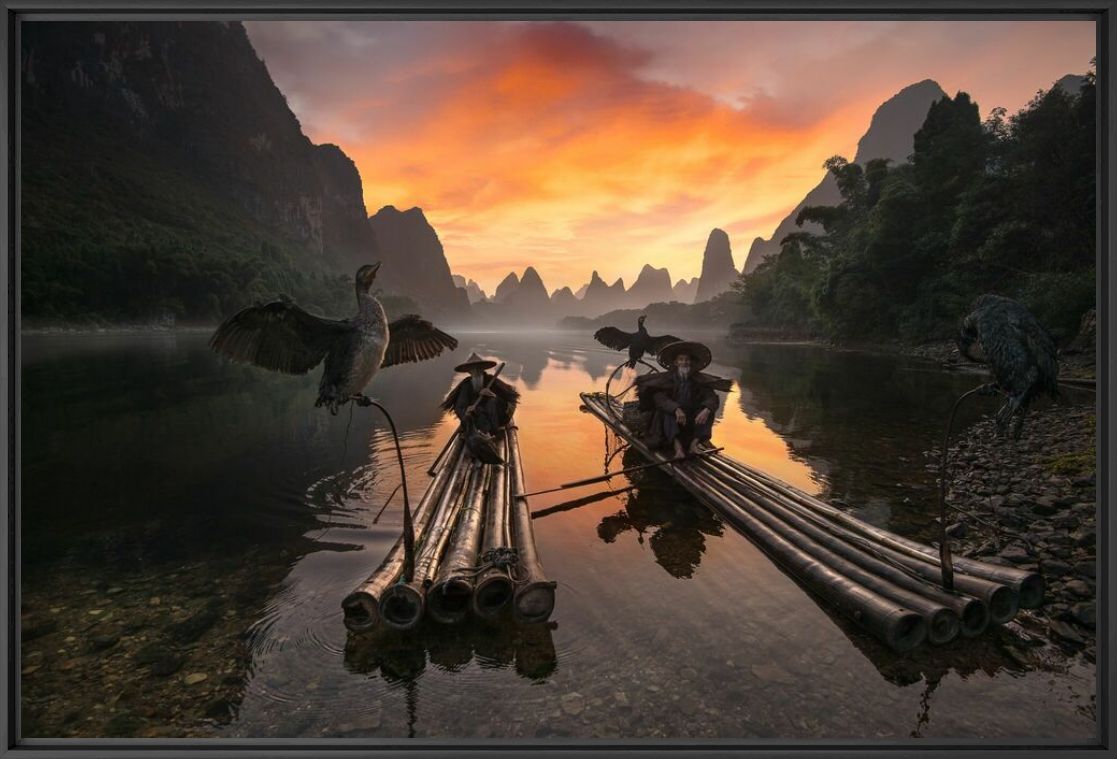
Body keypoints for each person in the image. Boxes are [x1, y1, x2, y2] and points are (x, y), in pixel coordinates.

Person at [634, 341, 732, 460]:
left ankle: (693, 445)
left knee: (708, 412)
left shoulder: (698, 379)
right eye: (681, 359)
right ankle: (678, 448)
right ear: (676, 362)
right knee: (665, 413)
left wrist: (706, 409)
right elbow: (660, 399)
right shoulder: (667, 379)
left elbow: (711, 397)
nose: (684, 362)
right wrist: (676, 409)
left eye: (687, 360)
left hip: (690, 418)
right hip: (673, 418)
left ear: (691, 362)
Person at [440, 352, 519, 462]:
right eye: (473, 370)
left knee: (492, 401)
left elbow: (511, 399)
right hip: (476, 422)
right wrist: (467, 410)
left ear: (482, 369)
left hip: (494, 421)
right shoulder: (466, 385)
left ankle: (491, 434)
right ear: (469, 372)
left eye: (478, 369)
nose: (476, 372)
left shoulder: (492, 381)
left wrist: (493, 395)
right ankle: (481, 436)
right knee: (475, 417)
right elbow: (459, 407)